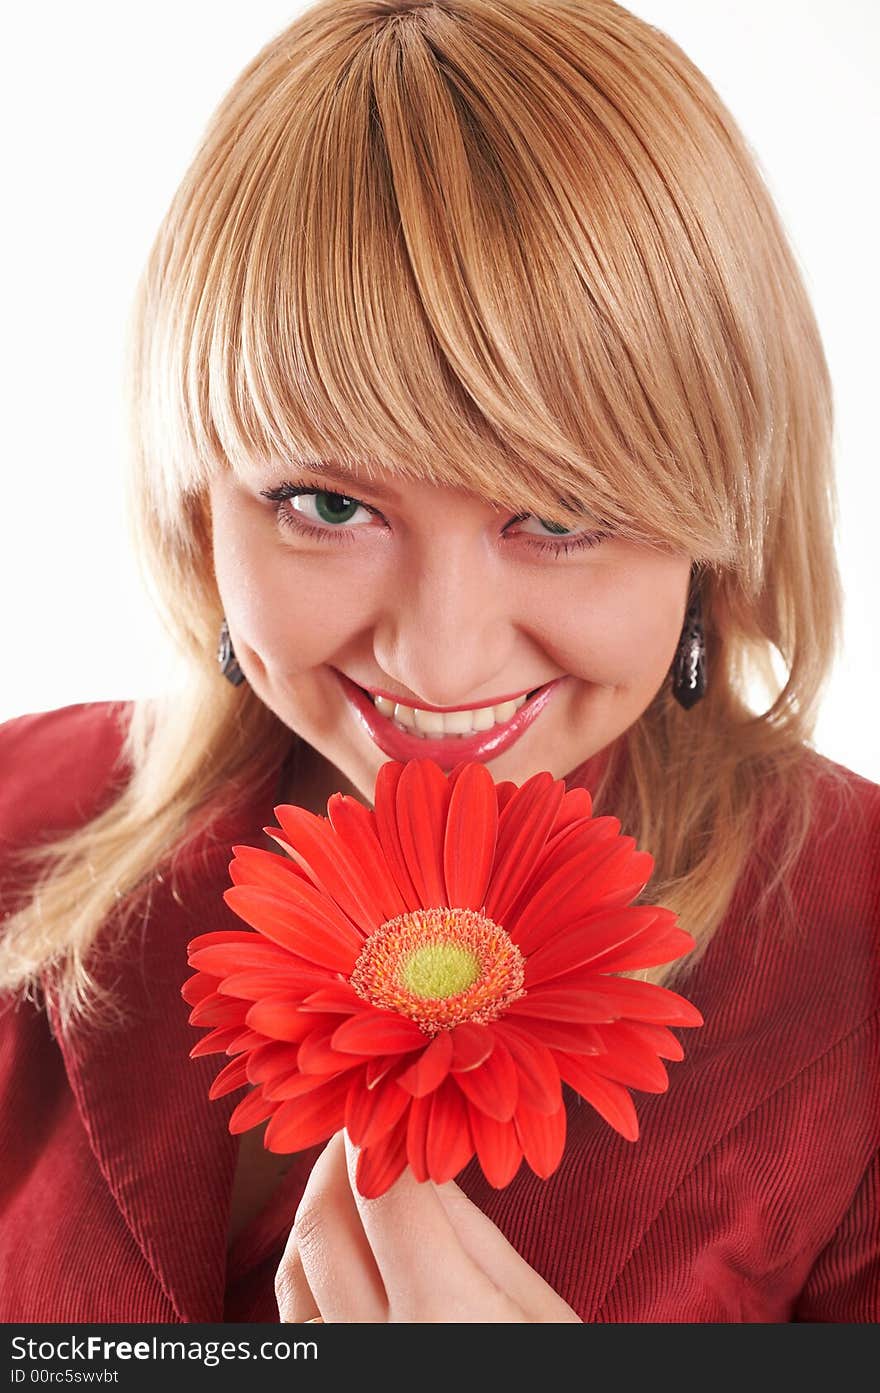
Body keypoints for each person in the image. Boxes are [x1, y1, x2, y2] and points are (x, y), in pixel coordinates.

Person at [0, 0, 877, 1324]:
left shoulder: (858, 971)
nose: (440, 651)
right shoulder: (18, 813)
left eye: (562, 514)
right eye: (329, 504)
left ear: (720, 517)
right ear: (199, 501)